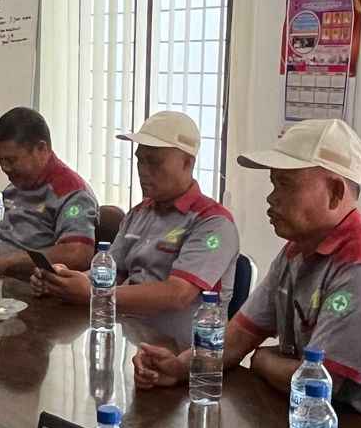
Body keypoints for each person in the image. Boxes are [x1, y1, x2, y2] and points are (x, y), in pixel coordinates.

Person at [133, 118, 361, 428]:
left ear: (335, 193)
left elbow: (318, 385)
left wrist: (261, 359)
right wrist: (180, 367)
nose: (271, 198)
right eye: (273, 184)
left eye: (285, 185)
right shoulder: (295, 253)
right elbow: (237, 338)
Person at [32, 111, 238, 349]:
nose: (143, 170)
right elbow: (112, 272)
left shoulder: (213, 223)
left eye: (154, 162)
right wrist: (64, 280)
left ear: (187, 163)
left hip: (183, 356)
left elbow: (178, 294)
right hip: (127, 338)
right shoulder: (140, 213)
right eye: (140, 160)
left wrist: (93, 293)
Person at [0, 106, 97, 278]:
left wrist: (11, 262)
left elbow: (77, 254)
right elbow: (9, 230)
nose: (5, 168)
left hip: (32, 286)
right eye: (0, 159)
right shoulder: (16, 186)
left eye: (11, 160)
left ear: (41, 149)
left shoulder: (71, 193)